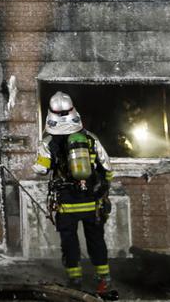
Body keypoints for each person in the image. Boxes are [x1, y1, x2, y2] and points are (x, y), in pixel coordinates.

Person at [33, 92, 116, 298]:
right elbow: (107, 168)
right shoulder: (90, 138)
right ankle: (103, 280)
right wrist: (103, 190)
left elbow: (41, 170)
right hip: (92, 202)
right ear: (73, 112)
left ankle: (75, 281)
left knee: (69, 242)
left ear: (51, 115)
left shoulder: (48, 142)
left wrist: (43, 162)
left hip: (66, 204)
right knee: (96, 239)